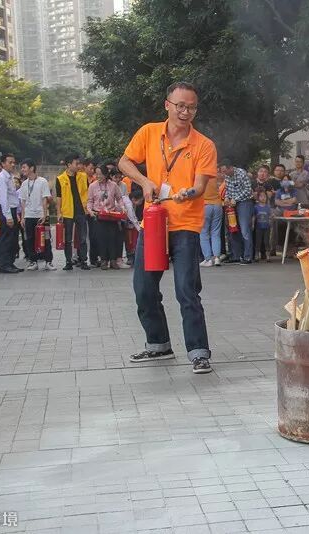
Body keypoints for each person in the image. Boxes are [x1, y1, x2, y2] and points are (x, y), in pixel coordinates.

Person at [117, 81, 216, 373]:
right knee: (143, 287)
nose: (185, 112)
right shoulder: (149, 132)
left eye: (191, 107)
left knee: (186, 289)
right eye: (180, 106)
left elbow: (200, 185)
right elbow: (125, 162)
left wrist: (189, 193)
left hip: (185, 224)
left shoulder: (204, 145)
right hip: (154, 222)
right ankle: (158, 344)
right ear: (167, 105)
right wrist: (144, 181)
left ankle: (198, 352)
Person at [18, 159, 55, 271]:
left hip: (40, 215)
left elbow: (44, 199)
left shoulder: (42, 181)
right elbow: (23, 202)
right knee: (30, 239)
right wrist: (23, 217)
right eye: (22, 167)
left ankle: (48, 261)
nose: (22, 170)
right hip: (28, 215)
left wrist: (44, 215)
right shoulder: (24, 184)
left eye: (24, 167)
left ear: (32, 168)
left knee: (46, 238)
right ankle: (33, 261)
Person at [55, 154, 91, 271]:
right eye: (76, 163)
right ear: (69, 165)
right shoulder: (60, 179)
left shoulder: (83, 176)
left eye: (79, 163)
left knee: (82, 238)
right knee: (68, 239)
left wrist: (88, 207)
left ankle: (83, 260)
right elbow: (59, 197)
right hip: (67, 212)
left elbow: (88, 192)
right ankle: (68, 261)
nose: (78, 166)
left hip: (81, 211)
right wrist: (59, 212)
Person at [86, 165, 124, 270]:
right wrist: (90, 210)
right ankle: (103, 260)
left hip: (111, 215)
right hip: (98, 215)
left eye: (100, 174)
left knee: (112, 237)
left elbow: (119, 198)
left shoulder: (113, 185)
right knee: (101, 238)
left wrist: (122, 207)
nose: (98, 176)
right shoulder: (92, 186)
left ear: (106, 174)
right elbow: (89, 201)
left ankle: (113, 260)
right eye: (96, 174)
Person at [222, 160, 255, 265]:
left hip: (244, 202)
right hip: (232, 204)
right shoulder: (227, 176)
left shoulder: (242, 173)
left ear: (230, 167)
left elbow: (248, 190)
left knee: (245, 229)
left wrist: (235, 199)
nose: (224, 173)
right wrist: (226, 197)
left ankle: (247, 257)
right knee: (233, 229)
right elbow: (228, 189)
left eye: (225, 171)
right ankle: (235, 256)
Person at [0, 154, 22, 274]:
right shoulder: (2, 178)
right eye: (10, 162)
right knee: (6, 239)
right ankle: (4, 264)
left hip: (13, 209)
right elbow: (3, 199)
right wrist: (8, 216)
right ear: (3, 164)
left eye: (14, 162)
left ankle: (10, 262)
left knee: (13, 239)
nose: (13, 164)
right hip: (7, 210)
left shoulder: (10, 176)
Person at [200, 168, 223, 267]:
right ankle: (217, 258)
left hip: (205, 205)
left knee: (204, 232)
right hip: (217, 204)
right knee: (216, 232)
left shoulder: (200, 177)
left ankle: (208, 259)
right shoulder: (214, 176)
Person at [253, 191, 272, 262]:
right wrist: (252, 224)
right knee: (258, 241)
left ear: (266, 197)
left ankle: (268, 255)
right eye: (261, 196)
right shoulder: (256, 207)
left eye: (264, 196)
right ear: (258, 198)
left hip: (267, 227)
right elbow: (254, 216)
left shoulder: (268, 207)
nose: (263, 198)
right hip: (258, 227)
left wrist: (271, 218)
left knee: (266, 241)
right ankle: (256, 255)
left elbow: (270, 216)